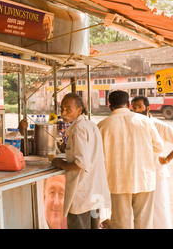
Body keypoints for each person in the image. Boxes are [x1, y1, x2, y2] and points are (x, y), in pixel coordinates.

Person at [97, 90, 163, 229]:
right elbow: (159, 147)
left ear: (110, 106)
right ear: (128, 103)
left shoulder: (102, 126)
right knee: (144, 222)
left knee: (120, 223)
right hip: (144, 178)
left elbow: (99, 157)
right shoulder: (145, 121)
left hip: (117, 181)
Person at [51, 93, 110, 229]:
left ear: (79, 110)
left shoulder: (78, 129)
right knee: (93, 226)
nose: (64, 113)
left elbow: (81, 164)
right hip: (94, 193)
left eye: (68, 109)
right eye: (62, 109)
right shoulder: (90, 125)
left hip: (82, 195)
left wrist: (61, 164)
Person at [131, 95, 173, 229]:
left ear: (148, 108)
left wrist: (167, 158)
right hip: (139, 174)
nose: (137, 110)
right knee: (141, 212)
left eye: (140, 107)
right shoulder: (133, 125)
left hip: (157, 175)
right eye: (134, 107)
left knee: (159, 210)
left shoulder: (160, 126)